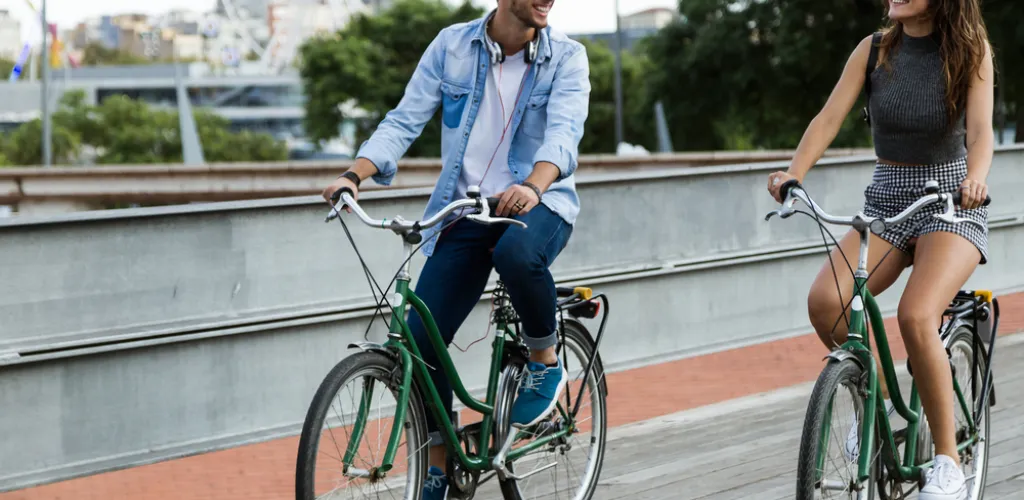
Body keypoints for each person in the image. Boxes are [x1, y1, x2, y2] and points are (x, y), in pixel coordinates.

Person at [321, 0, 589, 497]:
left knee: (515, 254)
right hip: (466, 210)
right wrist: (353, 175)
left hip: (539, 201)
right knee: (420, 342)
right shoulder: (452, 46)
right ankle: (439, 470)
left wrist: (533, 185)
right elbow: (404, 120)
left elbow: (564, 134)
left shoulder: (567, 57)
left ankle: (544, 361)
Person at [766, 0, 993, 498]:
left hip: (950, 202)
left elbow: (980, 133)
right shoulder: (873, 51)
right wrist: (793, 173)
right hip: (887, 202)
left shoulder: (970, 50)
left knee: (916, 315)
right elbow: (829, 118)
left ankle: (948, 462)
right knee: (826, 302)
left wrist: (975, 179)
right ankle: (882, 399)